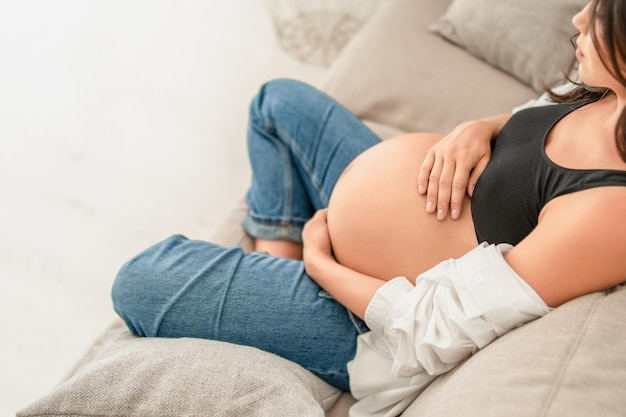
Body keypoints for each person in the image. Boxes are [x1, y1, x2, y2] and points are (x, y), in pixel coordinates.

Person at [111, 1, 626, 416]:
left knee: (140, 280)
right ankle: (278, 270)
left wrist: (322, 263)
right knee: (278, 102)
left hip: (372, 324)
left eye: (599, 15)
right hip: (371, 227)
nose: (578, 17)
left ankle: (289, 280)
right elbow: (525, 121)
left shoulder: (612, 207)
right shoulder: (606, 95)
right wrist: (478, 129)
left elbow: (434, 328)